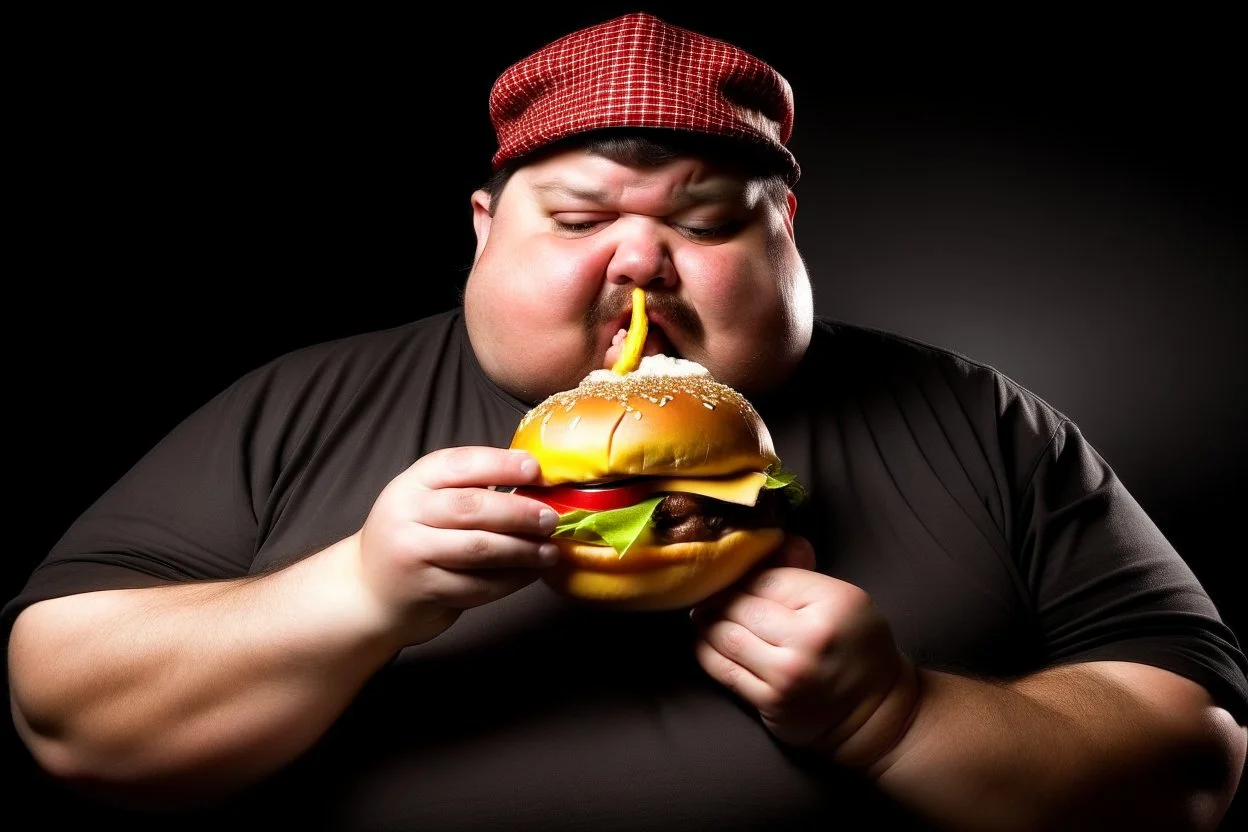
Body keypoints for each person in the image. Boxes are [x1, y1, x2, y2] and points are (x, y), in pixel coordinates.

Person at [5, 11, 1246, 831]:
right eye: (579, 217)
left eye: (708, 221)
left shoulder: (979, 418)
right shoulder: (303, 401)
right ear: (485, 227)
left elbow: (1197, 759)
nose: (641, 265)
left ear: (787, 237)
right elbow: (62, 714)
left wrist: (900, 716)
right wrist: (349, 595)